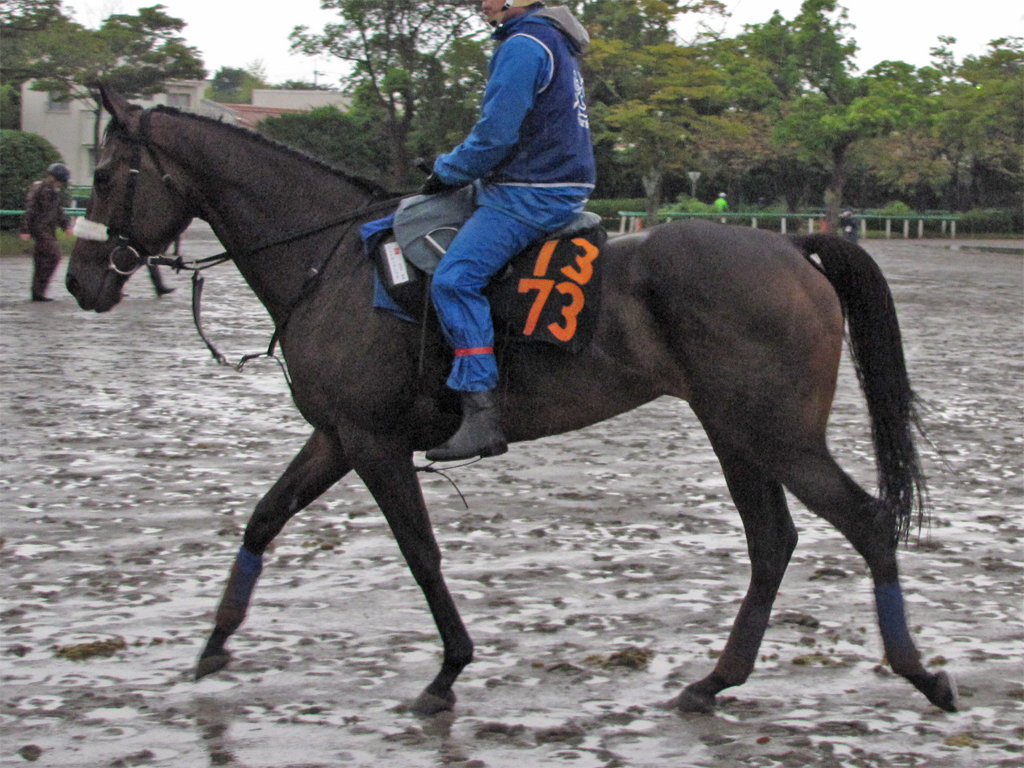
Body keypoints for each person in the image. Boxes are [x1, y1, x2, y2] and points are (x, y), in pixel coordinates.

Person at [421, 0, 596, 462]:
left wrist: (448, 170)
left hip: (531, 191)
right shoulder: (553, 39)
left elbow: (495, 135)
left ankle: (480, 412)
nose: (481, 4)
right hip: (545, 181)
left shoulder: (523, 44)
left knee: (455, 279)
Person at [20, 163, 72, 301]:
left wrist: (65, 226)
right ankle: (38, 291)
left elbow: (58, 211)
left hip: (49, 231)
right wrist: (25, 230)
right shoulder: (39, 189)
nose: (61, 185)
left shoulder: (54, 192)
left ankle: (38, 293)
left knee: (41, 260)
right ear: (54, 178)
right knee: (54, 256)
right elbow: (29, 210)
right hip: (41, 231)